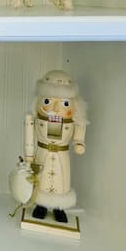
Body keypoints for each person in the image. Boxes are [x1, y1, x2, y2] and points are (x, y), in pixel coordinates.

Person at [22, 69, 87, 223]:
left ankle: (59, 208)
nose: (56, 109)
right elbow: (29, 134)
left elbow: (80, 124)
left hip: (62, 155)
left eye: (65, 104)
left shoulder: (73, 121)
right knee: (41, 179)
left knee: (62, 180)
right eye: (47, 102)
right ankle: (41, 205)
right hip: (42, 153)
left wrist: (79, 142)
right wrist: (29, 154)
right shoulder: (35, 119)